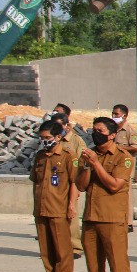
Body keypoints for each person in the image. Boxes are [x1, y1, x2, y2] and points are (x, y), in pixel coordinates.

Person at [74, 116, 135, 272]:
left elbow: (115, 185)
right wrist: (86, 165)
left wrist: (96, 165)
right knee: (93, 264)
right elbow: (81, 186)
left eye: (100, 131)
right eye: (94, 130)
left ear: (112, 135)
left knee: (118, 264)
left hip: (112, 218)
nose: (95, 133)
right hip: (91, 217)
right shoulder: (90, 155)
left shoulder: (122, 157)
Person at [29, 119, 78, 272]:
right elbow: (35, 181)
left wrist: (71, 205)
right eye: (41, 138)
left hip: (59, 207)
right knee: (45, 245)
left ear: (58, 136)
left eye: (47, 137)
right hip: (41, 207)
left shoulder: (67, 156)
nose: (44, 141)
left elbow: (74, 183)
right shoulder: (40, 156)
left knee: (61, 245)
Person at [52, 111, 86, 260]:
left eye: (60, 125)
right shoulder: (53, 140)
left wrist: (77, 185)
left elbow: (81, 163)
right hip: (55, 183)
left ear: (67, 125)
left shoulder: (76, 141)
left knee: (71, 214)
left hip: (71, 181)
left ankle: (75, 247)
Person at [111, 103, 137, 230]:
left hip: (126, 166)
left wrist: (119, 148)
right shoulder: (112, 129)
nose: (114, 116)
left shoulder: (130, 131)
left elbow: (136, 147)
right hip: (114, 165)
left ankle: (128, 222)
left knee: (126, 193)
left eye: (116, 114)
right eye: (113, 113)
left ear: (124, 116)